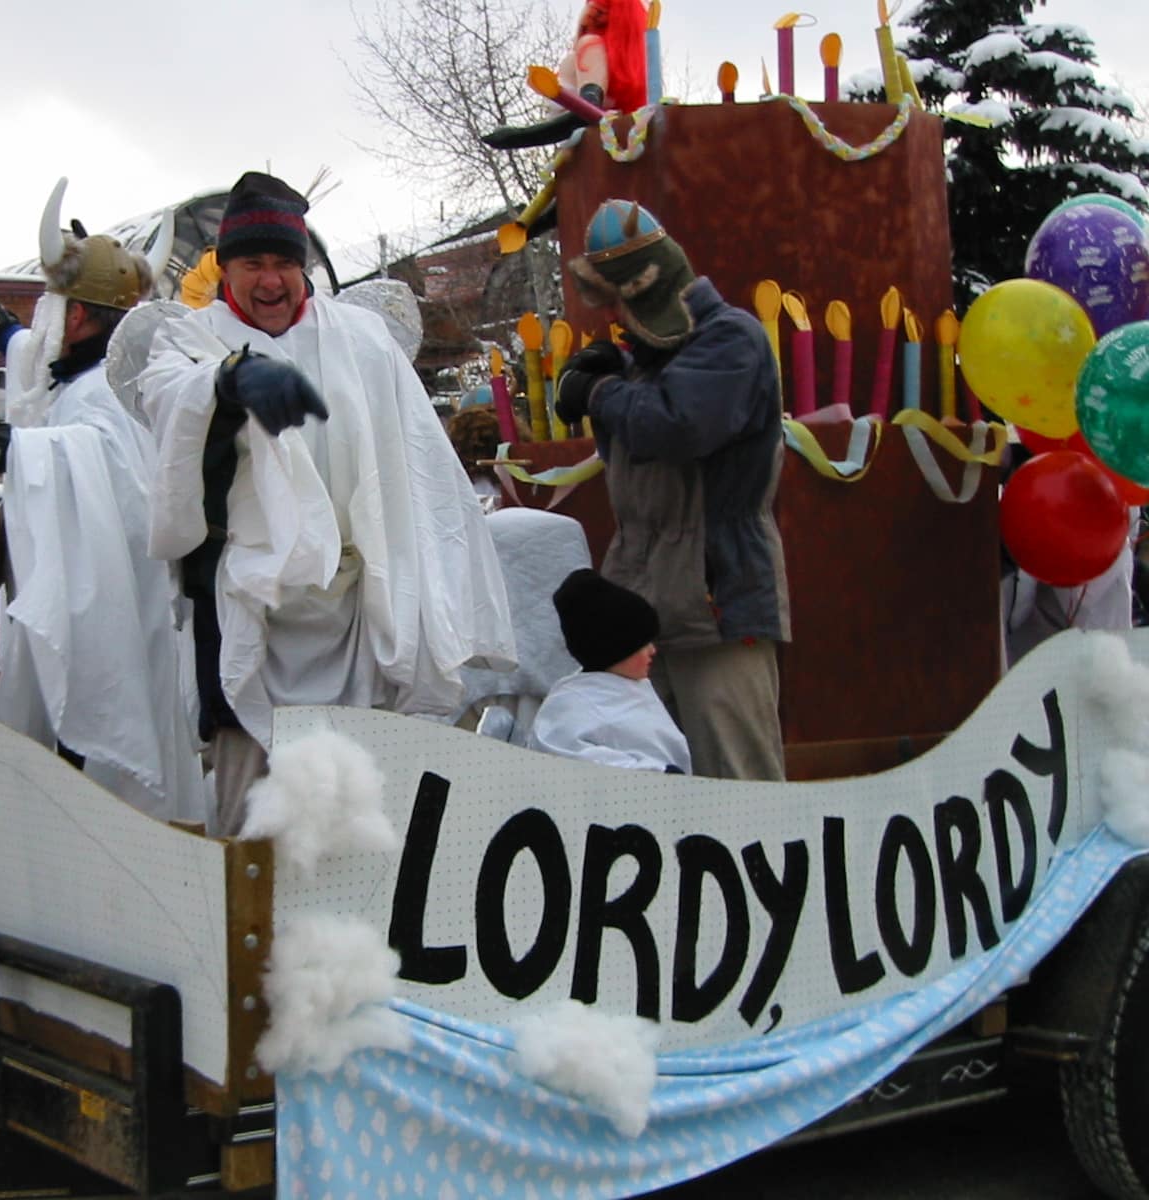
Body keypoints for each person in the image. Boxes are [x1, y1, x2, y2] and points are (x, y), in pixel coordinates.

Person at [139, 170, 516, 835]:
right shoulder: (190, 340)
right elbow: (167, 397)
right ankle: (247, 929)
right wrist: (228, 383)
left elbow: (421, 471)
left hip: (354, 614)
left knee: (361, 797)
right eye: (252, 262)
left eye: (284, 261)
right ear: (224, 267)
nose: (270, 280)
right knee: (248, 807)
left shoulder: (363, 341)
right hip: (244, 611)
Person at [0, 179, 203, 823]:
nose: (40, 324)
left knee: (102, 786)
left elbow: (96, 462)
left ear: (73, 317)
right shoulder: (97, 379)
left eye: (50, 308)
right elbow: (39, 365)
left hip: (112, 627)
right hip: (102, 619)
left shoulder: (106, 394)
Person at [556, 198, 789, 781]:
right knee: (648, 785)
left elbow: (680, 425)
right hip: (644, 595)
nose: (616, 315)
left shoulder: (731, 339)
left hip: (717, 597)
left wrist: (601, 391)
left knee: (740, 785)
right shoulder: (652, 358)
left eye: (622, 301)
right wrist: (613, 370)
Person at [528, 568, 691, 772]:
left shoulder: (631, 684)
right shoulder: (570, 705)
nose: (653, 650)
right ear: (614, 650)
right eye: (642, 644)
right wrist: (654, 773)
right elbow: (570, 759)